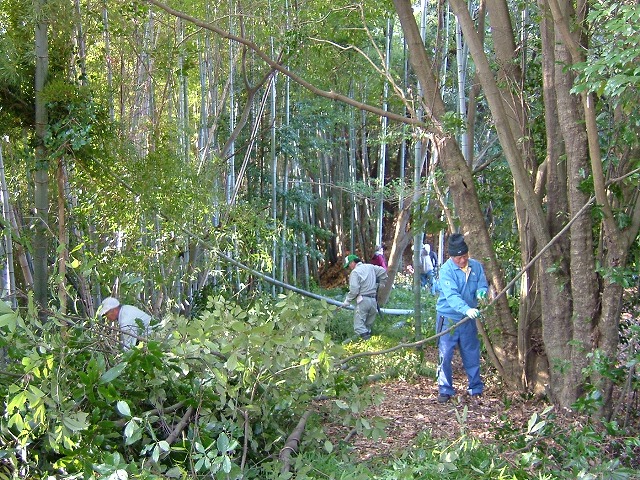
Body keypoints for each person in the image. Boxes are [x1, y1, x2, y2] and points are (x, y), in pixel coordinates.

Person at [435, 233, 488, 403]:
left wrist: (482, 292)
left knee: (471, 352)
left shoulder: (476, 267)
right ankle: (445, 389)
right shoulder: (446, 270)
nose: (462, 260)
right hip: (448, 319)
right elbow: (452, 296)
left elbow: (482, 283)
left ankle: (475, 387)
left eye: (465, 256)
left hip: (468, 319)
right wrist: (466, 309)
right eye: (458, 258)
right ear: (451, 257)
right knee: (445, 354)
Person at [342, 254, 388, 340]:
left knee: (359, 327)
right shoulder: (370, 267)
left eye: (349, 265)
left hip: (363, 301)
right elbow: (383, 271)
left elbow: (354, 290)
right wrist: (382, 283)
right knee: (367, 326)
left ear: (353, 262)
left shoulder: (355, 272)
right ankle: (370, 343)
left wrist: (347, 300)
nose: (349, 267)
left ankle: (367, 342)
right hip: (373, 301)